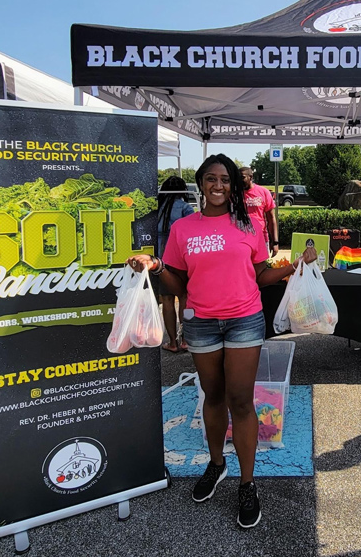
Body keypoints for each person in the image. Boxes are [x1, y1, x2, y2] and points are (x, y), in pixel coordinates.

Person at [127, 154, 316, 529]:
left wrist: (293, 267)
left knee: (241, 401)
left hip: (245, 320)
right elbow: (179, 286)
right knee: (212, 397)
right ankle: (217, 464)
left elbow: (261, 274)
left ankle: (247, 484)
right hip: (201, 324)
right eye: (211, 179)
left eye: (226, 180)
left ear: (234, 186)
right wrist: (157, 267)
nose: (218, 186)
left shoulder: (247, 224)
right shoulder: (183, 229)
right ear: (200, 183)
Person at [157, 176, 196, 352]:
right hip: (180, 259)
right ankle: (186, 339)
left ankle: (172, 342)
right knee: (184, 299)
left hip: (160, 260)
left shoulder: (156, 208)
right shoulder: (186, 208)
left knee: (166, 300)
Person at [240, 167, 279, 258]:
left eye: (242, 178)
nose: (239, 181)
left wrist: (275, 242)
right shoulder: (235, 194)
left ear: (251, 177)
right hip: (242, 240)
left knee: (262, 270)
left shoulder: (263, 192)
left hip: (261, 238)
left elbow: (271, 218)